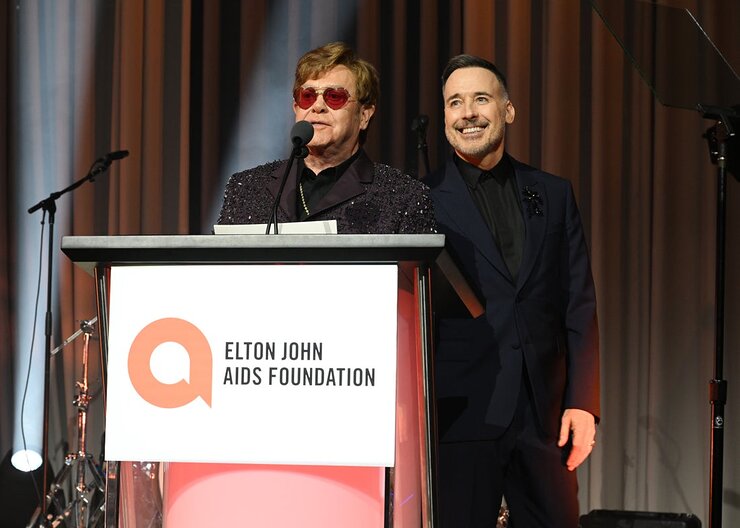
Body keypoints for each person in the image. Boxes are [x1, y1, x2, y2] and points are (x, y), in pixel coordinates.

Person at [426, 54, 600, 527]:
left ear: (508, 110)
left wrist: (583, 403)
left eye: (481, 98)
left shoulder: (553, 193)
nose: (468, 113)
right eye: (454, 102)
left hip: (544, 418)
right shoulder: (420, 200)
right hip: (460, 416)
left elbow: (579, 302)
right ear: (444, 117)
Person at [217, 41, 435, 234]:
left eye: (335, 97)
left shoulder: (403, 198)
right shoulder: (245, 188)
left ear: (364, 115)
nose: (318, 106)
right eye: (307, 96)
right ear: (296, 108)